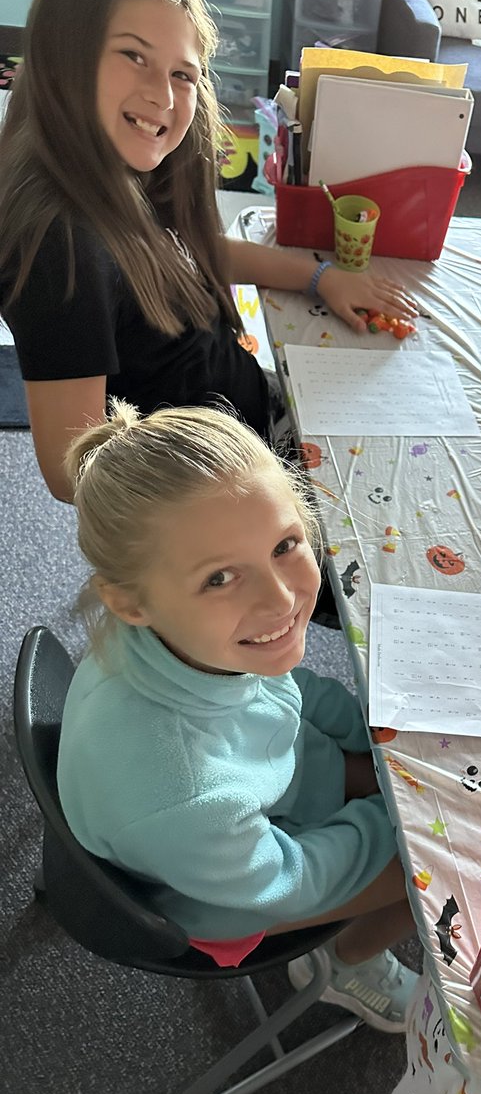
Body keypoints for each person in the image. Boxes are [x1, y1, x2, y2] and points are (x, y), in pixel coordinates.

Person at [57, 401, 419, 1031]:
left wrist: (376, 735)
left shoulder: (181, 638)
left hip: (243, 797)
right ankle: (349, 963)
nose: (281, 599)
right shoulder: (183, 790)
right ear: (129, 601)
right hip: (218, 895)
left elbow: (284, 689)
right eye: (220, 577)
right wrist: (406, 824)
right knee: (440, 872)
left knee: (409, 788)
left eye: (285, 545)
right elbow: (288, 880)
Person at [0, 0, 416, 502]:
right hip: (220, 493)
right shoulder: (61, 252)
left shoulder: (117, 165)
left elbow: (188, 253)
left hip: (252, 421)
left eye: (183, 74)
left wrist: (320, 277)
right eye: (134, 56)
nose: (165, 97)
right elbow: (75, 472)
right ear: (64, 56)